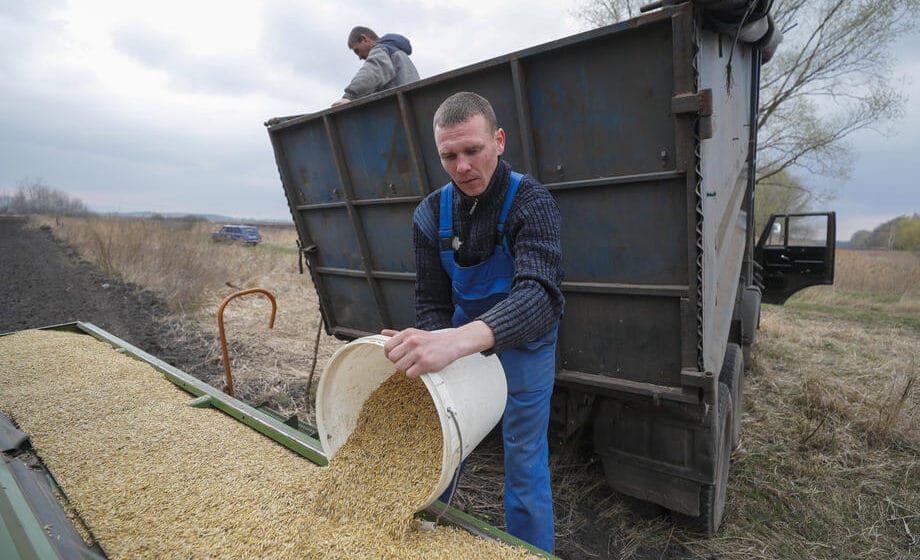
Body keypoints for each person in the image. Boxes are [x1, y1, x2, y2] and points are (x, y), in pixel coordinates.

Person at [381, 92, 563, 553]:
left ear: (498, 141)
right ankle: (416, 539)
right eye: (449, 156)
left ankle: (529, 551)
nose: (462, 167)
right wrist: (433, 343)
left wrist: (457, 342)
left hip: (525, 349)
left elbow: (539, 296)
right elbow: (431, 301)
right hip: (459, 347)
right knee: (439, 444)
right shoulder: (430, 214)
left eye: (473, 150)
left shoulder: (531, 202)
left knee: (524, 458)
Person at [332, 27, 420, 107]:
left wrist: (349, 96)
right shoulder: (397, 53)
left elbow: (372, 71)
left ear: (364, 39)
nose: (359, 57)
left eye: (357, 51)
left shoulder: (381, 50)